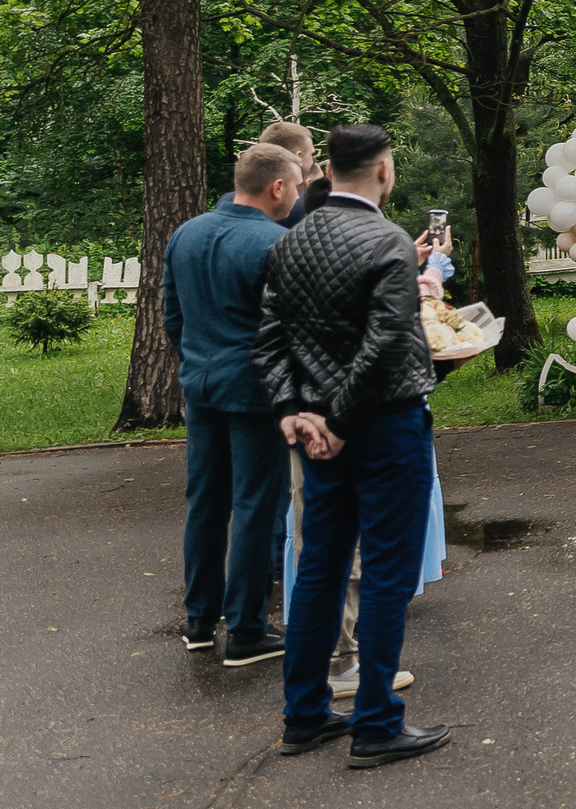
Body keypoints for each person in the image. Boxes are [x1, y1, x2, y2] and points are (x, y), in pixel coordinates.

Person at [254, 123, 448, 768]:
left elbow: (271, 336)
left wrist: (292, 412)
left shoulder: (292, 239)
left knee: (319, 566)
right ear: (385, 171)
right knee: (389, 569)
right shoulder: (388, 242)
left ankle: (304, 714)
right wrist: (339, 418)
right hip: (383, 425)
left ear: (328, 170)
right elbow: (387, 340)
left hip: (313, 428)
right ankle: (375, 723)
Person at [164, 142, 299, 667]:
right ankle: (245, 628)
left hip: (200, 385)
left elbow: (172, 315)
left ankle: (199, 621)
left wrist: (197, 361)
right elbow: (288, 328)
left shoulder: (186, 233)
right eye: (296, 184)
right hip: (255, 391)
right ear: (278, 186)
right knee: (255, 507)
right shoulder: (275, 241)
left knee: (206, 503)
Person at [260, 122, 318, 227]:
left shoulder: (230, 200)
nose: (312, 160)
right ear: (298, 156)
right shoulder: (301, 208)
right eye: (311, 154)